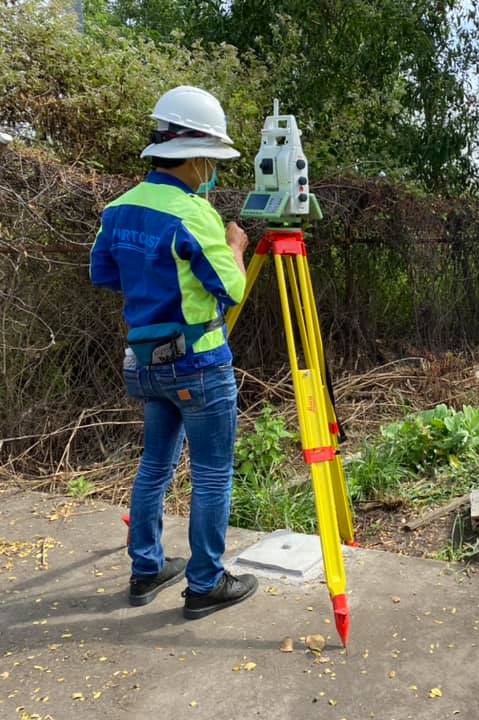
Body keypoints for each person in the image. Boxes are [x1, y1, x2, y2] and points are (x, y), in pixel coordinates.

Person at [90, 86, 258, 619]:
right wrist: (234, 245)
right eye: (213, 160)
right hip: (199, 363)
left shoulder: (118, 209)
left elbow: (104, 272)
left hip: (143, 364)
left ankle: (146, 570)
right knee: (211, 473)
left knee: (155, 465)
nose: (214, 171)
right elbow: (231, 287)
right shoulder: (195, 214)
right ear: (195, 154)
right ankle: (205, 583)